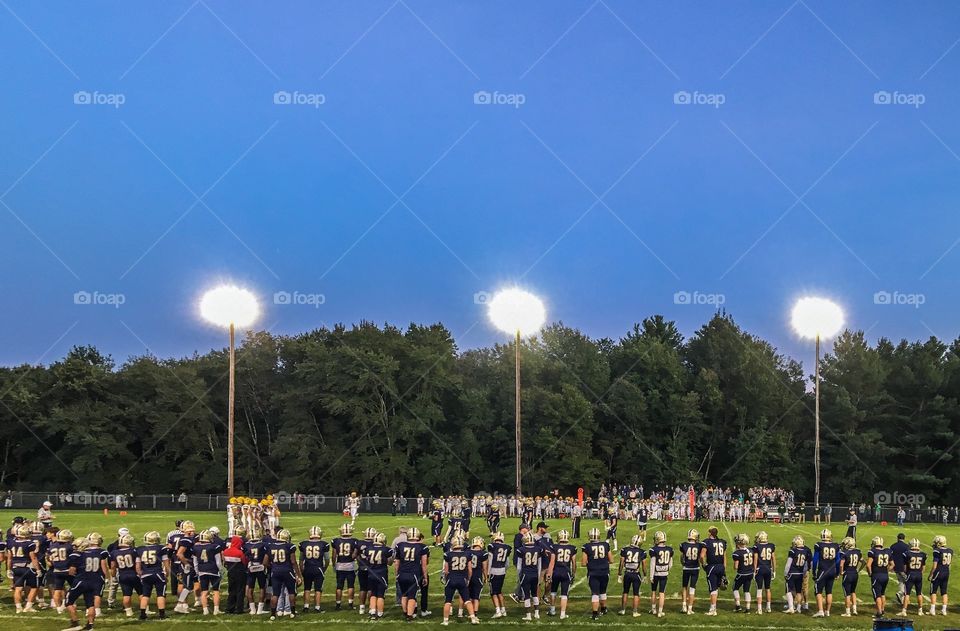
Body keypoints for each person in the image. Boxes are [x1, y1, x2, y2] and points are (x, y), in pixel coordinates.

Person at [63, 534, 108, 631]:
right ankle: (90, 625)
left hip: (81, 580)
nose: (74, 547)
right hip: (95, 581)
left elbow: (72, 571)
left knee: (68, 602)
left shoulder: (77, 555)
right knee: (90, 604)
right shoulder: (98, 553)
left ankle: (75, 623)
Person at [266, 529, 302, 620]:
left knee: (275, 594)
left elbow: (265, 562)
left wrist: (273, 566)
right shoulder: (289, 546)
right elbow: (293, 562)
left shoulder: (271, 546)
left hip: (275, 572)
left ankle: (273, 614)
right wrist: (298, 575)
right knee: (291, 592)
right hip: (287, 571)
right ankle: (292, 612)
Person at [441, 536, 478, 625]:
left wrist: (446, 579)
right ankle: (473, 618)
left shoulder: (448, 554)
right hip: (462, 579)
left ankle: (445, 621)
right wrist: (468, 579)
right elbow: (470, 570)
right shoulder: (467, 554)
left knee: (448, 601)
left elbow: (445, 570)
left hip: (451, 579)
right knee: (467, 600)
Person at [395, 527, 430, 621]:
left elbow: (397, 562)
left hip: (402, 573)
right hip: (414, 574)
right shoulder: (422, 547)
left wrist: (396, 574)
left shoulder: (400, 545)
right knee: (412, 596)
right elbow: (424, 565)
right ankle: (409, 616)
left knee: (404, 594)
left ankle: (405, 612)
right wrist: (425, 577)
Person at [136, 530, 170, 620]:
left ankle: (142, 614)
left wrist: (140, 574)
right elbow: (166, 563)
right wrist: (167, 574)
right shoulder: (161, 548)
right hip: (158, 573)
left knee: (145, 595)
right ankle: (162, 615)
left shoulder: (139, 549)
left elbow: (138, 566)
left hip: (145, 574)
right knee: (160, 594)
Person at [582, 527, 613, 620]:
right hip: (604, 571)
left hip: (593, 572)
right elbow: (611, 560)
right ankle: (603, 609)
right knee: (603, 591)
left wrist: (592, 562)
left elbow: (583, 563)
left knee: (595, 593)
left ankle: (595, 613)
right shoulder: (606, 545)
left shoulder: (586, 546)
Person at [109, 533, 141, 618]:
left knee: (126, 594)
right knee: (141, 593)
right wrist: (140, 574)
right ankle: (145, 609)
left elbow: (113, 566)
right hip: (134, 574)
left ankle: (128, 611)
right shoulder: (134, 551)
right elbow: (138, 565)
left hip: (122, 575)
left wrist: (113, 576)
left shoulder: (114, 552)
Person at [546, 529, 576, 619]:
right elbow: (574, 563)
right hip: (565, 572)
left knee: (553, 592)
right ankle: (562, 614)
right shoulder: (572, 548)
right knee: (564, 594)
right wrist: (573, 573)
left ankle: (552, 610)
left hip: (555, 571)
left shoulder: (554, 547)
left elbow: (552, 562)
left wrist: (549, 574)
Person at [193, 530, 224, 615]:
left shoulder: (196, 547)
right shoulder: (215, 546)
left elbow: (195, 563)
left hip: (202, 571)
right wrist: (221, 570)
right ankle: (216, 610)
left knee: (204, 591)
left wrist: (197, 572)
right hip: (213, 570)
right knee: (216, 591)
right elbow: (218, 562)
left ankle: (205, 610)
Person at [299, 526, 329, 613]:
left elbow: (301, 560)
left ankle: (306, 606)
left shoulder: (303, 544)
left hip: (307, 568)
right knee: (318, 589)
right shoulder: (324, 544)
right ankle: (317, 607)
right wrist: (324, 569)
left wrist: (302, 570)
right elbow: (327, 560)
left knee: (307, 588)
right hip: (318, 568)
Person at [363, 532, 393, 619]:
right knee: (380, 594)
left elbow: (367, 559)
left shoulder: (368, 549)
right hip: (381, 574)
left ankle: (372, 611)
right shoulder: (387, 549)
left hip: (371, 574)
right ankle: (380, 612)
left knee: (373, 593)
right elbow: (390, 562)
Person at [617, 534, 646, 617]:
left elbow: (621, 563)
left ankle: (623, 610)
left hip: (627, 573)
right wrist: (645, 575)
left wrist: (619, 574)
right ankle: (635, 611)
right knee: (636, 593)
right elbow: (644, 564)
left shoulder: (625, 549)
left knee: (625, 591)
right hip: (636, 574)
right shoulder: (642, 552)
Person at [700, 526, 727, 616]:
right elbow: (724, 556)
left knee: (713, 589)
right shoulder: (722, 542)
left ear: (710, 533)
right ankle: (713, 607)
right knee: (716, 588)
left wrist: (704, 565)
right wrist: (724, 569)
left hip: (712, 567)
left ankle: (713, 609)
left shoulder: (706, 542)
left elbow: (702, 556)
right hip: (721, 567)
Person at [812, 528, 839, 617]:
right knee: (829, 591)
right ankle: (827, 611)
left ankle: (820, 611)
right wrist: (837, 572)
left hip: (823, 570)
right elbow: (838, 560)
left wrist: (814, 571)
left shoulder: (819, 545)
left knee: (818, 591)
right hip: (832, 570)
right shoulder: (835, 545)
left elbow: (815, 560)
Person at [332, 523, 359, 610]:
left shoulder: (336, 541)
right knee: (350, 586)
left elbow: (334, 555)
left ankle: (338, 604)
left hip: (340, 566)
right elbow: (354, 555)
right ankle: (350, 604)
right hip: (350, 566)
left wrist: (334, 565)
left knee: (339, 586)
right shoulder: (354, 541)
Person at [242, 527, 269, 614]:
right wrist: (264, 566)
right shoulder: (263, 545)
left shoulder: (246, 545)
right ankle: (260, 609)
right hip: (260, 566)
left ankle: (252, 609)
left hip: (251, 566)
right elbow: (266, 557)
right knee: (262, 587)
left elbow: (244, 557)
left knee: (250, 587)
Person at [866, 536, 894, 618]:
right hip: (885, 575)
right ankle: (882, 610)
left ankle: (879, 612)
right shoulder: (887, 551)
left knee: (877, 595)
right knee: (882, 593)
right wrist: (886, 570)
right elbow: (892, 564)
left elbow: (868, 565)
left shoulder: (872, 551)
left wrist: (870, 573)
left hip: (876, 575)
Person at [222, 526, 247, 614]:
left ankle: (230, 607)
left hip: (230, 572)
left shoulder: (226, 551)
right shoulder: (239, 552)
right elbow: (244, 562)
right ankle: (239, 608)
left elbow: (224, 560)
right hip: (240, 572)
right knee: (240, 590)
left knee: (231, 590)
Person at [648, 530, 672, 618]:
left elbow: (652, 563)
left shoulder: (654, 549)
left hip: (656, 573)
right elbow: (670, 563)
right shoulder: (669, 549)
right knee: (662, 592)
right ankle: (660, 611)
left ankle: (654, 609)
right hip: (664, 574)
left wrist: (651, 575)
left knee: (653, 591)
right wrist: (667, 570)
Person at [899, 538, 926, 617]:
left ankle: (904, 610)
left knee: (907, 593)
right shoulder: (923, 554)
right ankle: (920, 611)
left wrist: (907, 573)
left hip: (910, 573)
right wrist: (920, 573)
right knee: (919, 593)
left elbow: (904, 568)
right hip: (919, 574)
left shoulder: (907, 554)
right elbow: (923, 567)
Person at [679, 528, 703, 614]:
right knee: (692, 588)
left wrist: (683, 564)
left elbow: (682, 557)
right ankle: (690, 608)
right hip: (695, 568)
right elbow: (700, 557)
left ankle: (684, 606)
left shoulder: (683, 545)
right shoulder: (699, 545)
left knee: (685, 587)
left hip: (686, 568)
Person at [785, 535, 810, 614]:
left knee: (789, 590)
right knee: (799, 591)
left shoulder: (793, 551)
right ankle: (799, 608)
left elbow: (788, 564)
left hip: (792, 572)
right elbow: (807, 564)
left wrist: (785, 573)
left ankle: (791, 608)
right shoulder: (805, 551)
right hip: (800, 573)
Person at [753, 530, 776, 614]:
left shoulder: (756, 546)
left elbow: (755, 559)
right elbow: (773, 558)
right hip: (768, 569)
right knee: (768, 588)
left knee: (759, 589)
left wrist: (754, 570)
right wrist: (774, 570)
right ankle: (768, 607)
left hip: (760, 569)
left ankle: (759, 609)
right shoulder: (771, 546)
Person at [838, 536, 862, 616]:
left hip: (847, 573)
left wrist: (841, 572)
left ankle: (848, 612)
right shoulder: (858, 551)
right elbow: (863, 562)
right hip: (855, 573)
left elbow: (841, 565)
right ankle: (855, 610)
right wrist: (858, 569)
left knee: (847, 594)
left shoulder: (844, 553)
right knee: (853, 591)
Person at [929, 534, 951, 615]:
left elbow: (934, 566)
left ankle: (932, 610)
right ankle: (944, 610)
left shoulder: (937, 551)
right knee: (944, 591)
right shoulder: (950, 550)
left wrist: (930, 575)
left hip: (938, 572)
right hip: (946, 571)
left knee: (933, 591)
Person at [731, 533, 754, 613]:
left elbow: (736, 567)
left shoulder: (737, 553)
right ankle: (748, 608)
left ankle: (738, 606)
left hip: (742, 574)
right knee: (746, 590)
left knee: (735, 588)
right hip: (750, 573)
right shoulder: (750, 550)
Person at [890, 533, 909, 605]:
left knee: (901, 582)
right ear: (904, 538)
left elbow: (890, 556)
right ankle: (901, 593)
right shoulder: (907, 546)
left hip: (896, 567)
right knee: (907, 583)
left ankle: (901, 599)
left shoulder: (893, 546)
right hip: (904, 567)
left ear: (897, 538)